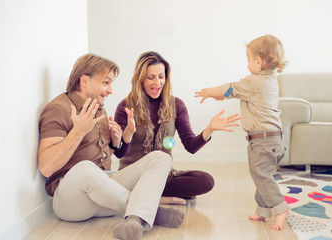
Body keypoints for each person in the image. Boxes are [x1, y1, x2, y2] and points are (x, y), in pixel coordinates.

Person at [38, 53, 185, 240]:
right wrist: (78, 132)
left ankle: (136, 216)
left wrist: (117, 142)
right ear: (84, 81)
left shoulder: (99, 108)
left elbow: (109, 155)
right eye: (106, 83)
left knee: (161, 158)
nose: (110, 91)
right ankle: (148, 211)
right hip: (70, 199)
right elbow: (46, 166)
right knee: (85, 168)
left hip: (104, 190)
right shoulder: (58, 109)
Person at [114, 51, 240, 205]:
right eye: (150, 77)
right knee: (130, 183)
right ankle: (153, 197)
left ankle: (146, 196)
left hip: (161, 177)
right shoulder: (125, 106)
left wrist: (210, 129)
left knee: (205, 181)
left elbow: (190, 146)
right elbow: (119, 153)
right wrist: (128, 133)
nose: (157, 83)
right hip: (133, 177)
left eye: (161, 76)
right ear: (140, 79)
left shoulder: (176, 105)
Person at [195, 35, 289, 230]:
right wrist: (223, 97)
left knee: (262, 176)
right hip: (272, 140)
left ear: (258, 61)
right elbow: (240, 93)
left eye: (248, 60)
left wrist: (209, 92)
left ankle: (280, 209)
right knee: (262, 175)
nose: (247, 65)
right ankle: (263, 210)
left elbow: (231, 88)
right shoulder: (270, 80)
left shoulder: (255, 82)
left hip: (263, 141)